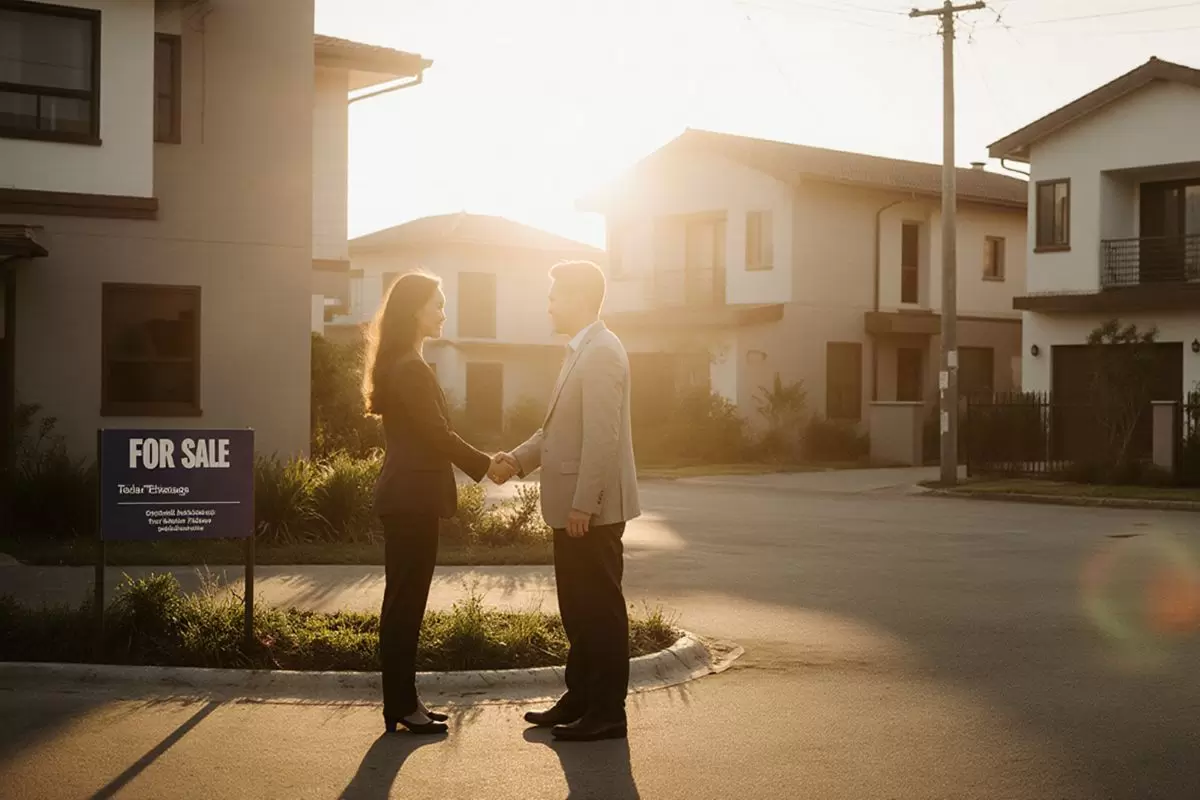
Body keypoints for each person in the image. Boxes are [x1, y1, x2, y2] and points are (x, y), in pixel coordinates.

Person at [492, 259, 641, 742]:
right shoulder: (580, 349)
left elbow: (602, 437)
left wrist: (584, 504)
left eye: (555, 295)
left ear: (579, 298)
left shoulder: (602, 352)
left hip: (590, 513)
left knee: (600, 610)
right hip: (573, 507)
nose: (549, 304)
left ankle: (608, 713)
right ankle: (580, 697)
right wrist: (515, 460)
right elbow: (556, 431)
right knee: (578, 609)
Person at [363, 271, 510, 735]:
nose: (444, 312)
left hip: (407, 497)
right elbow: (436, 434)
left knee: (402, 603)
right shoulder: (409, 367)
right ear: (415, 311)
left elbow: (431, 433)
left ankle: (401, 705)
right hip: (411, 499)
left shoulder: (406, 363)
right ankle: (403, 706)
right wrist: (488, 465)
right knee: (406, 606)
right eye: (438, 303)